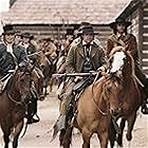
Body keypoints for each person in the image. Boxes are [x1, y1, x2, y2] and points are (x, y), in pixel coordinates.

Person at [53, 24, 107, 136]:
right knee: (67, 95)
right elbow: (69, 64)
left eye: (91, 35)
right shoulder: (74, 48)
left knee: (110, 92)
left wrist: (101, 68)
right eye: (86, 35)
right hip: (78, 77)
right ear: (82, 36)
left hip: (95, 77)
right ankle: (64, 120)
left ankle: (111, 123)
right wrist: (75, 75)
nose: (88, 37)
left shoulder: (99, 48)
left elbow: (105, 62)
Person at [107, 18, 148, 114]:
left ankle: (143, 102)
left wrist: (125, 54)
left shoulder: (131, 38)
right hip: (115, 65)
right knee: (105, 82)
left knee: (143, 80)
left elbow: (134, 50)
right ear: (116, 27)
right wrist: (116, 54)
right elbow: (108, 53)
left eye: (123, 25)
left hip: (129, 63)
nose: (121, 27)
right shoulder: (111, 39)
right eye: (119, 25)